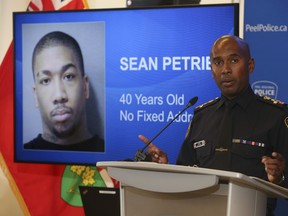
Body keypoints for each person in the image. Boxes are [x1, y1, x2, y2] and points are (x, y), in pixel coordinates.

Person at [138, 35, 288, 215]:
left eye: (233, 60)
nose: (225, 69)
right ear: (211, 70)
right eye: (218, 62)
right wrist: (165, 167)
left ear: (250, 65)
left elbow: (284, 182)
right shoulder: (201, 116)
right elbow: (186, 174)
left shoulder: (275, 116)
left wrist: (278, 178)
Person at [24, 31, 104, 152]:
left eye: (68, 77)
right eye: (45, 80)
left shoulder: (117, 158)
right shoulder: (21, 159)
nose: (59, 95)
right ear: (35, 95)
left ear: (85, 87)